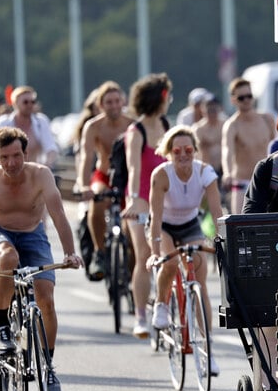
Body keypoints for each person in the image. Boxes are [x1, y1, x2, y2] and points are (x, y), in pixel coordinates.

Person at [0, 128, 83, 391]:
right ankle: (1, 329)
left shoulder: (41, 175)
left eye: (17, 156)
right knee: (8, 259)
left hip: (33, 235)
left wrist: (70, 253)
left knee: (46, 296)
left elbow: (58, 215)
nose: (12, 163)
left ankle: (48, 367)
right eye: (5, 157)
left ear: (26, 153)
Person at [146, 126, 224, 372]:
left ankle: (207, 348)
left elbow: (217, 212)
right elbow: (155, 219)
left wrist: (222, 242)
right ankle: (160, 303)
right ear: (169, 152)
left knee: (198, 279)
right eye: (177, 150)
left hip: (190, 225)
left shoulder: (205, 172)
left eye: (188, 150)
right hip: (165, 227)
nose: (183, 155)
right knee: (169, 263)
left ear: (195, 151)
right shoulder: (161, 175)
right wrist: (155, 252)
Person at [121, 73, 172, 337]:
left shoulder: (166, 124)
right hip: (139, 198)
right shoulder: (136, 131)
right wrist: (133, 200)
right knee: (143, 255)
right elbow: (133, 169)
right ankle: (140, 315)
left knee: (172, 254)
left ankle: (164, 302)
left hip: (165, 197)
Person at [75, 81, 132, 278]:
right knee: (96, 203)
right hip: (104, 175)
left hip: (127, 178)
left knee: (132, 226)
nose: (114, 105)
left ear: (123, 101)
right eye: (109, 102)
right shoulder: (93, 126)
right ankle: (100, 251)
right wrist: (83, 185)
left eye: (117, 101)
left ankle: (133, 272)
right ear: (101, 105)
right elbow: (86, 157)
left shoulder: (131, 124)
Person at [221, 78, 276, 214]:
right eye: (241, 97)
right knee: (239, 227)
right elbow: (227, 150)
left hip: (266, 182)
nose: (246, 100)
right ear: (233, 100)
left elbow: (277, 147)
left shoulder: (267, 119)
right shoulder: (232, 125)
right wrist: (227, 173)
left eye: (249, 96)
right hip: (242, 184)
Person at [0, 86, 60, 169]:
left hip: (35, 173)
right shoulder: (3, 122)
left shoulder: (41, 122)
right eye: (25, 102)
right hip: (9, 170)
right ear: (15, 103)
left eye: (33, 102)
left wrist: (46, 165)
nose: (30, 105)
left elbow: (51, 148)